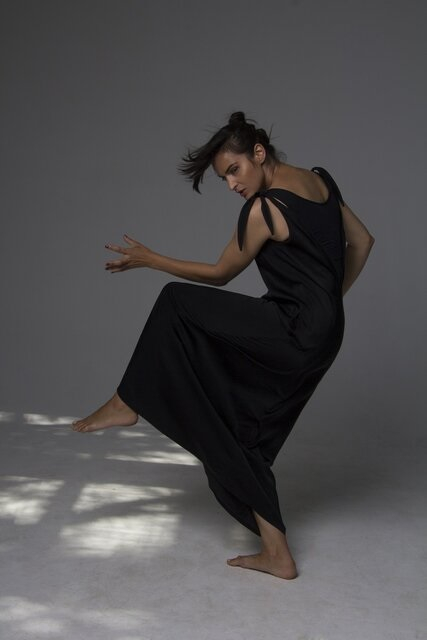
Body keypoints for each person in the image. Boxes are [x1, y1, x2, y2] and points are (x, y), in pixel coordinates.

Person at [72, 111, 375, 580]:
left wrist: (151, 259)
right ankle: (277, 552)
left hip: (294, 327)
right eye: (224, 178)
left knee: (175, 301)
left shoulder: (264, 209)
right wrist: (328, 302)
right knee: (243, 424)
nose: (232, 184)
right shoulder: (321, 181)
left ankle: (127, 401)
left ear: (259, 153)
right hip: (327, 332)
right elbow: (363, 241)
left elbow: (220, 274)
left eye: (234, 170)